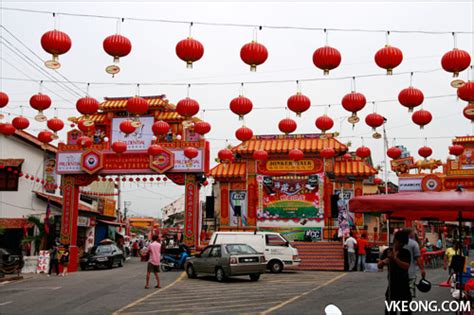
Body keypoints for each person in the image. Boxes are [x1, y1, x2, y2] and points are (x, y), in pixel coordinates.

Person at [378, 230, 412, 315]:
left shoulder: (405, 252)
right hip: (392, 287)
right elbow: (379, 266)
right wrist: (383, 262)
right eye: (400, 243)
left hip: (404, 287)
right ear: (396, 240)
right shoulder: (387, 251)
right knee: (390, 312)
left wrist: (395, 259)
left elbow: (406, 266)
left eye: (403, 243)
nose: (401, 245)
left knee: (406, 311)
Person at [403, 228, 426, 299]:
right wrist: (422, 269)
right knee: (409, 294)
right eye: (413, 232)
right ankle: (406, 307)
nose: (414, 233)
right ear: (410, 233)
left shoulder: (398, 242)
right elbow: (418, 258)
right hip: (410, 273)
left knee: (400, 292)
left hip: (399, 273)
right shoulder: (413, 243)